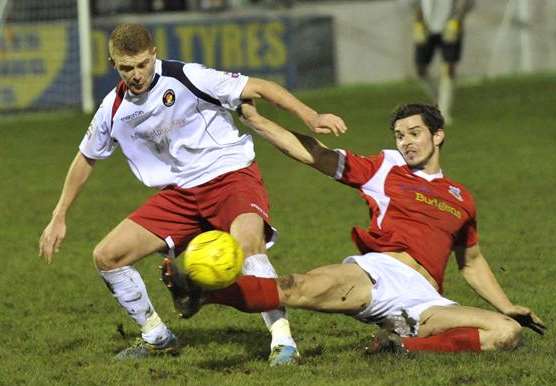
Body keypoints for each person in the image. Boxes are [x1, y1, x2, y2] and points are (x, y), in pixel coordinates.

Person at [38, 23, 347, 363]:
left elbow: (260, 87)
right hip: (180, 196)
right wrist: (58, 216)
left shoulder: (188, 77)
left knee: (248, 247)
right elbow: (86, 157)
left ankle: (283, 342)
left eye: (143, 64)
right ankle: (156, 337)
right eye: (127, 67)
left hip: (230, 178)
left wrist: (311, 115)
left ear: (154, 54)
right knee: (107, 256)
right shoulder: (113, 108)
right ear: (114, 65)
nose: (137, 74)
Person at [162, 102, 545, 354]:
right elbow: (317, 155)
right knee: (299, 287)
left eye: (414, 133)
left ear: (437, 135)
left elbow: (472, 263)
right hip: (379, 274)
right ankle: (200, 293)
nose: (407, 142)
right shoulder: (386, 168)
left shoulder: (462, 198)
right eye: (400, 135)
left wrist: (508, 307)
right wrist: (259, 122)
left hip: (424, 301)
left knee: (506, 333)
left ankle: (401, 346)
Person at [412, 0, 474, 124]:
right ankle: (438, 97)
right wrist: (418, 21)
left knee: (449, 67)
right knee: (420, 69)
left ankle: (444, 112)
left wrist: (457, 19)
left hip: (449, 25)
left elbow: (467, 3)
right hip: (427, 27)